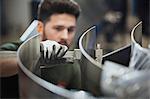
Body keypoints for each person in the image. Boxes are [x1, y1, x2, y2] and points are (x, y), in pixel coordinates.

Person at [0, 0, 81, 98]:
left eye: (70, 30)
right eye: (58, 28)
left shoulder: (70, 64)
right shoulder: (15, 49)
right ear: (40, 27)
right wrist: (36, 53)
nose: (65, 36)